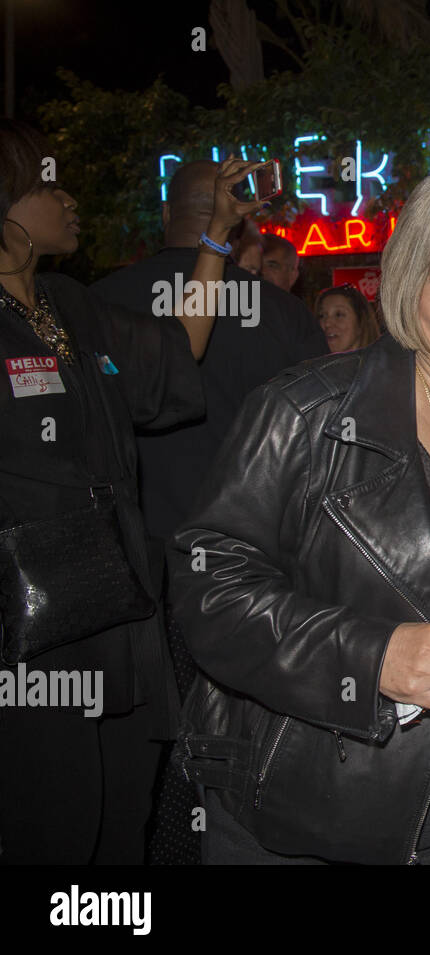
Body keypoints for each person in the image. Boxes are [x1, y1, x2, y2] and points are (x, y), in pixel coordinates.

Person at [167, 164, 430, 865]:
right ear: (406, 282)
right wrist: (372, 656)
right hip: (329, 826)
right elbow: (208, 588)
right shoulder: (306, 410)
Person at [0, 119, 259, 863]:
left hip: (124, 624)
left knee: (126, 830)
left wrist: (215, 241)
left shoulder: (71, 306)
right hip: (31, 648)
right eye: (48, 184)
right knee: (53, 827)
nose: (70, 197)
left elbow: (179, 351)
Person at [89, 159, 328, 863]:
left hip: (138, 572)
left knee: (153, 746)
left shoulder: (99, 302)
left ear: (168, 212)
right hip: (254, 571)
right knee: (243, 734)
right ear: (236, 219)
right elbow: (319, 445)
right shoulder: (281, 311)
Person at [315, 282, 380, 353]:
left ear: (360, 322)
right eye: (322, 315)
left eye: (339, 315)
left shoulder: (383, 362)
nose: (327, 323)